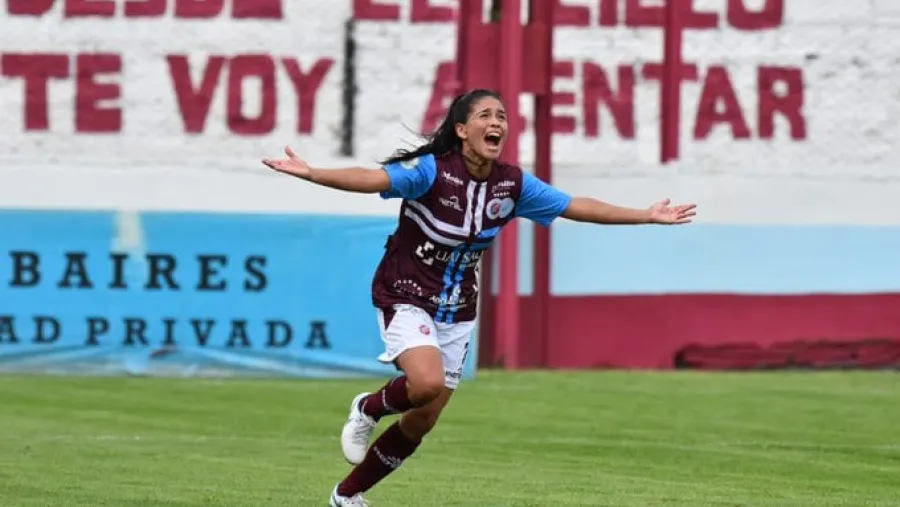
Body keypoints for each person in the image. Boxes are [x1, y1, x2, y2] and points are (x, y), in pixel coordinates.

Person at [261, 88, 696, 507]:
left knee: (424, 417)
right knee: (426, 382)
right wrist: (315, 173)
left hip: (458, 309)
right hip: (406, 293)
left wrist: (646, 216)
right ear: (462, 129)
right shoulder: (430, 171)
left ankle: (347, 495)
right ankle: (368, 407)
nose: (496, 123)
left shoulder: (512, 185)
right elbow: (374, 177)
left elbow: (573, 205)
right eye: (485, 115)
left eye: (502, 116)